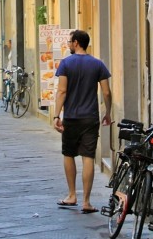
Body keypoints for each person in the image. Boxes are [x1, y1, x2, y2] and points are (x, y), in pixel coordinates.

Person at [53, 29, 112, 214]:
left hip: (71, 117)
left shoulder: (65, 64)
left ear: (77, 42)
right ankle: (86, 201)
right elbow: (107, 92)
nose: (69, 44)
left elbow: (62, 91)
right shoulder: (98, 64)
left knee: (69, 154)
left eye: (70, 41)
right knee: (88, 157)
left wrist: (56, 115)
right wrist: (107, 112)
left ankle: (72, 195)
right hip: (91, 118)